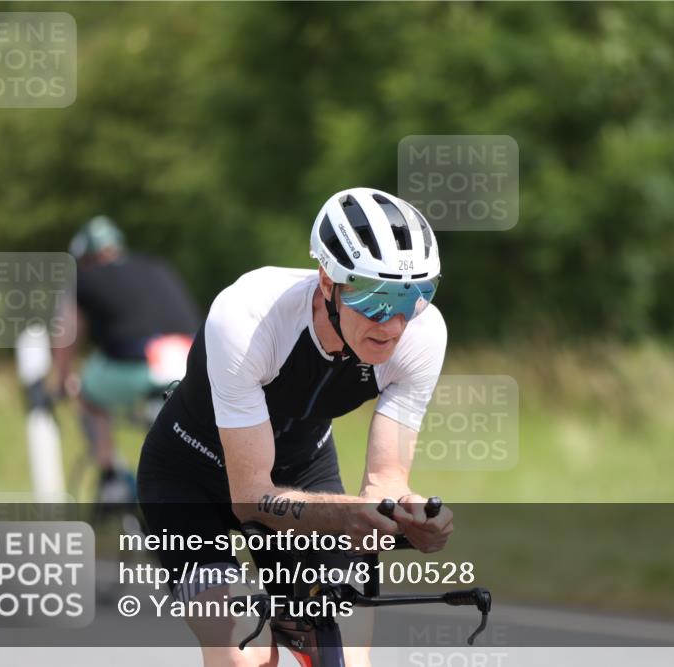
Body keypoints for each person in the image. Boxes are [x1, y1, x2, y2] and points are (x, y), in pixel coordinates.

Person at [137, 187, 454, 667]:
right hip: (189, 479)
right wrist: (345, 515)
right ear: (328, 282)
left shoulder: (423, 335)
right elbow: (250, 496)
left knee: (345, 650)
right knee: (243, 650)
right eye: (376, 298)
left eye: (415, 296)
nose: (393, 323)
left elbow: (385, 480)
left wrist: (408, 518)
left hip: (304, 469)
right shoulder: (248, 317)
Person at [54, 215, 200, 503]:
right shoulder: (158, 267)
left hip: (142, 364)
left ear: (85, 257)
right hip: (191, 361)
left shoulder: (84, 279)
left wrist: (61, 383)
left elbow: (66, 337)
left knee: (87, 395)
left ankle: (111, 478)